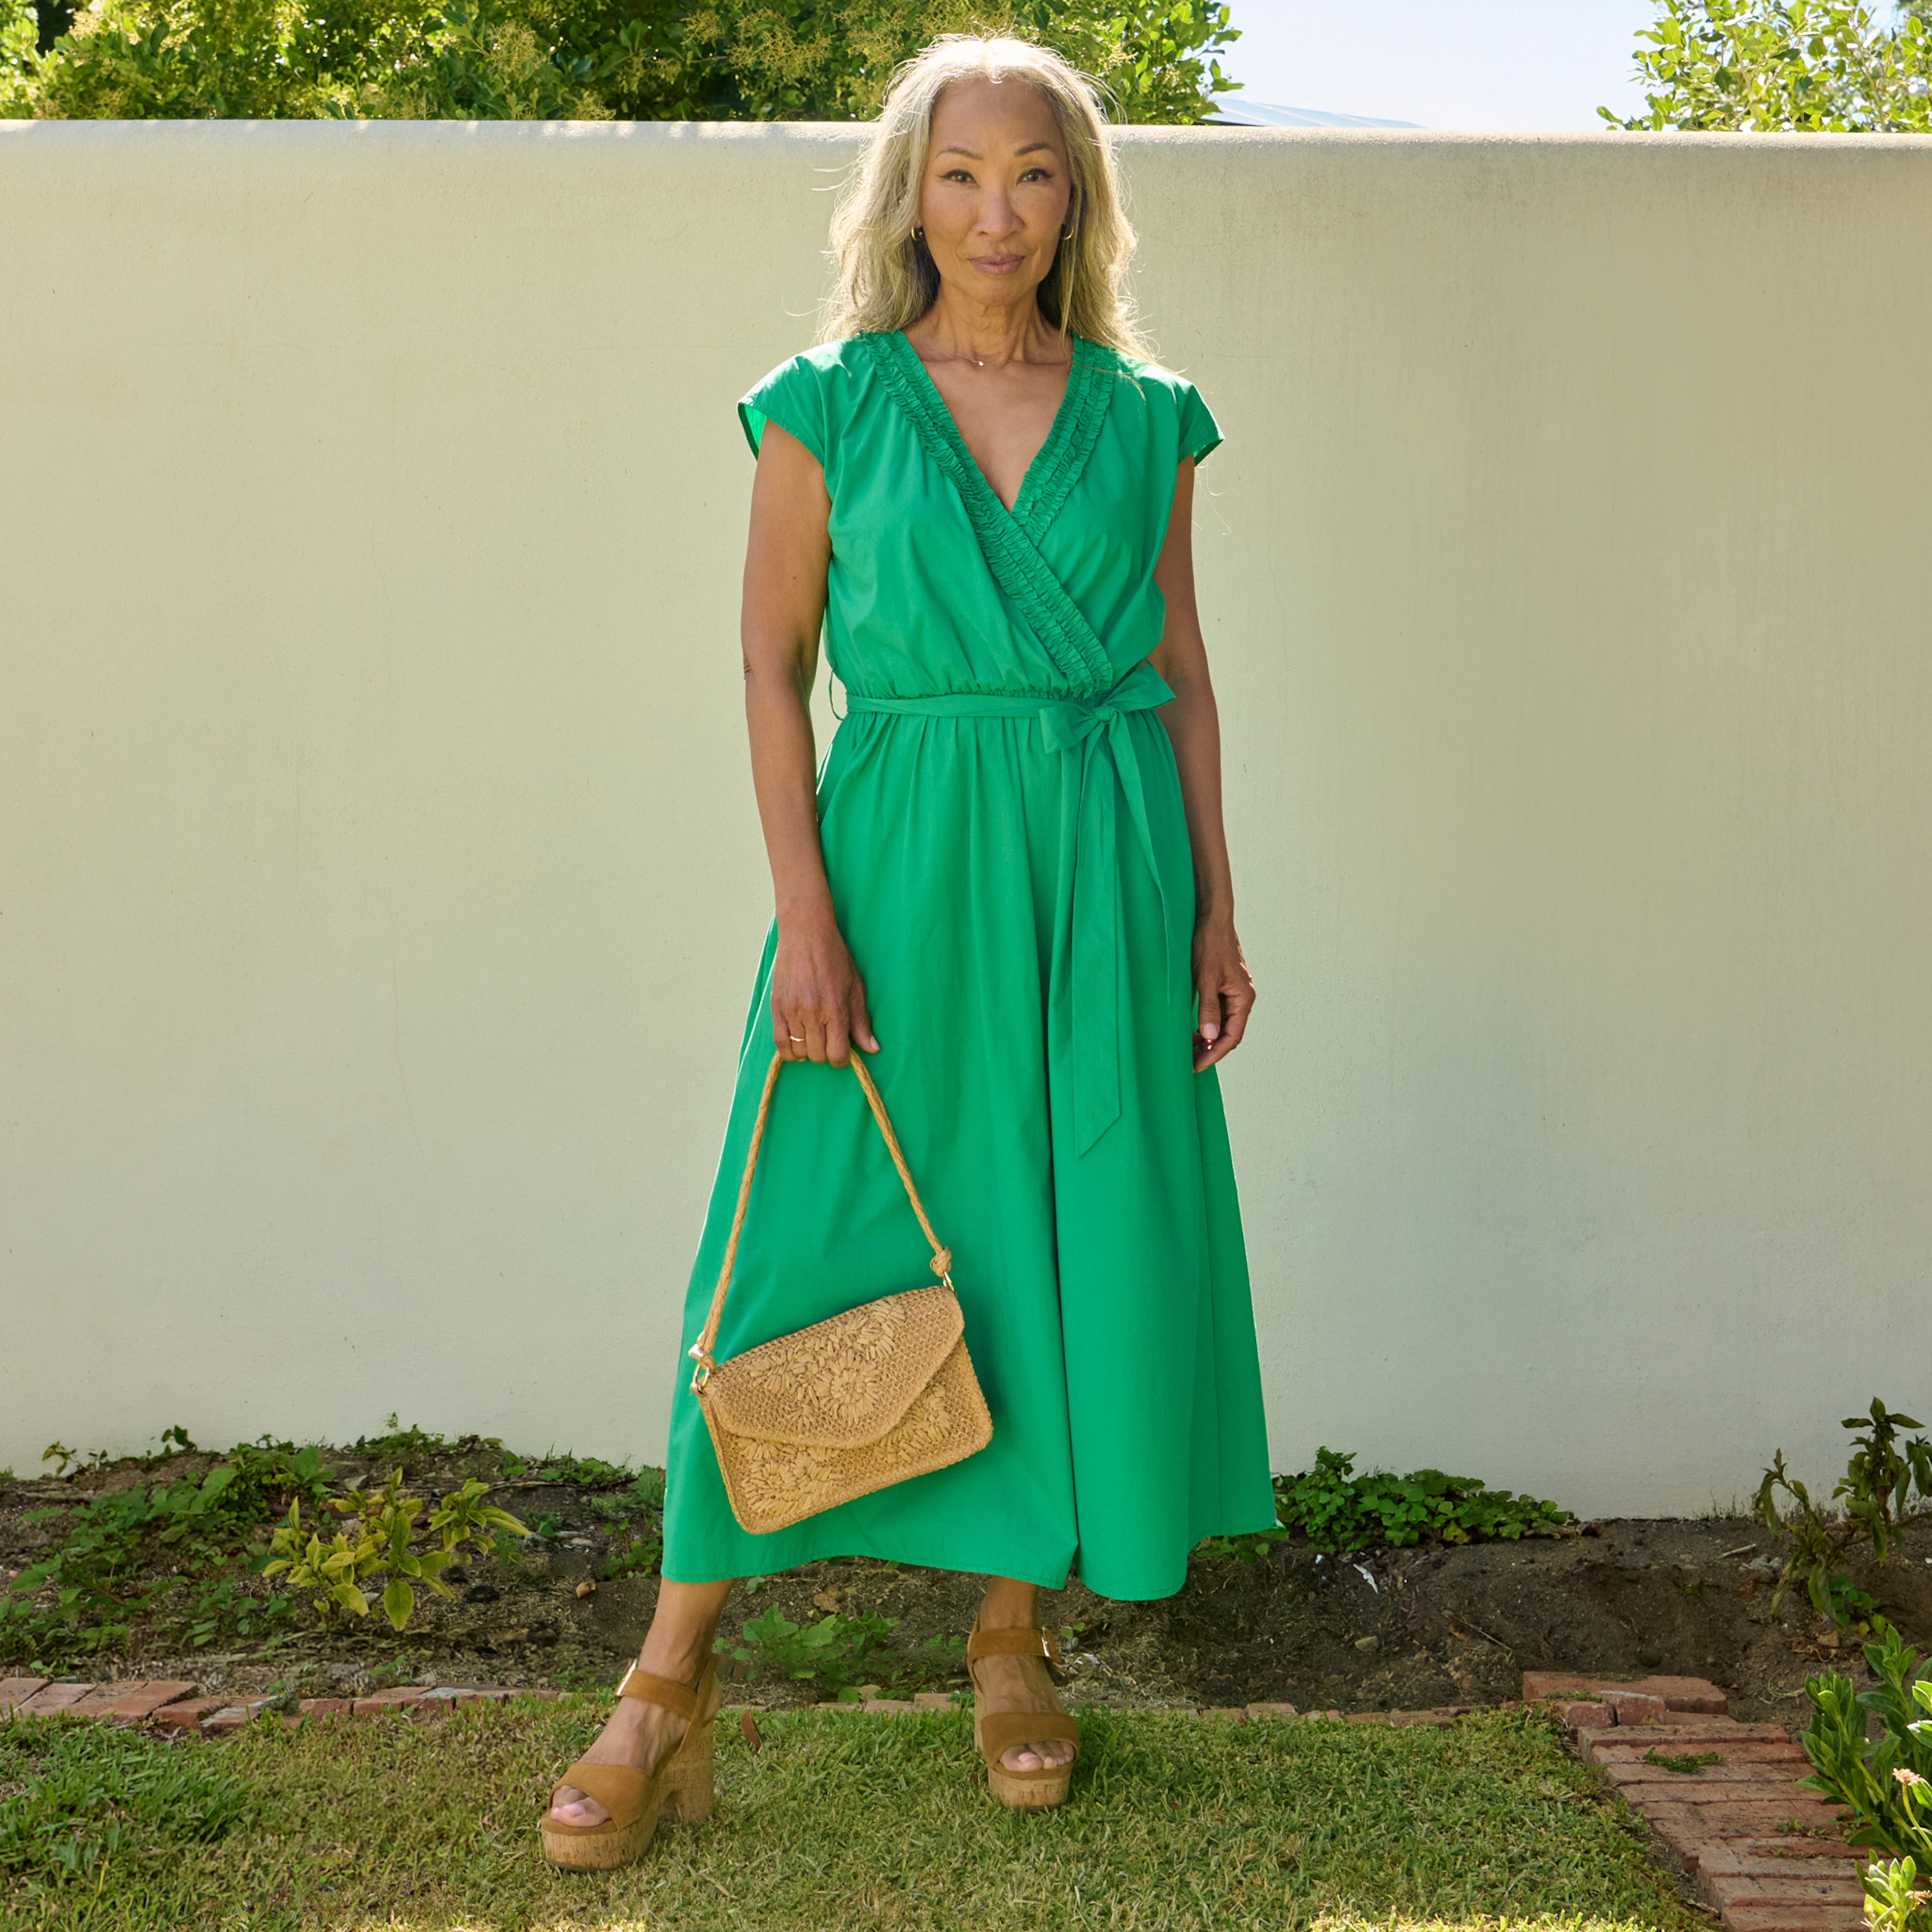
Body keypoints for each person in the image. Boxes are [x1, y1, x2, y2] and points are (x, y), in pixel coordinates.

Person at [541, 32, 1275, 1868]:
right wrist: (804, 913)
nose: (997, 209)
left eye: (1033, 172)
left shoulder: (1147, 416)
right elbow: (769, 670)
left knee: (1046, 1233)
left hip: (1101, 873)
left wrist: (1213, 899)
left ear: (1076, 194)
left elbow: (1180, 670)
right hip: (895, 865)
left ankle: (1014, 1642)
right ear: (910, 193)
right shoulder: (829, 401)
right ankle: (666, 1681)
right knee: (797, 1243)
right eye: (961, 174)